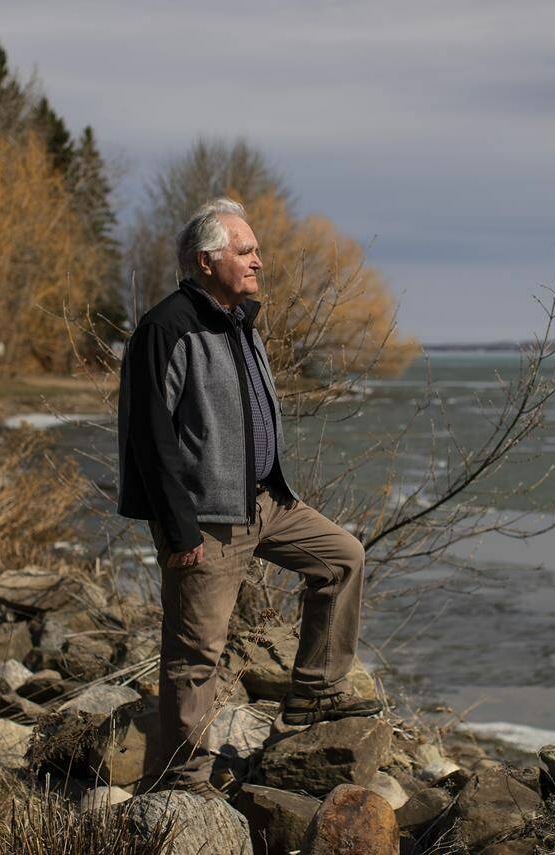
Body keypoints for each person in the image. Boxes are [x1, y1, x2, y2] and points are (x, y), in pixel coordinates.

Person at [115, 198, 382, 794]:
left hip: (267, 502)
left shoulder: (241, 321)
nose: (259, 260)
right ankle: (181, 783)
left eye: (256, 250)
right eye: (246, 251)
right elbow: (149, 439)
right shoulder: (167, 328)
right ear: (206, 261)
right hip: (206, 520)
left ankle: (312, 695)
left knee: (343, 557)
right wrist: (178, 530)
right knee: (195, 653)